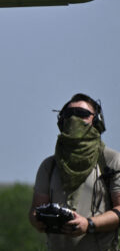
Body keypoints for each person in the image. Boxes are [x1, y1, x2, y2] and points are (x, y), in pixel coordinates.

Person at [29, 93, 120, 250]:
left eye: (82, 114)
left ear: (96, 120)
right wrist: (38, 220)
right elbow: (35, 210)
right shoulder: (50, 165)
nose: (74, 119)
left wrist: (89, 224)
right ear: (61, 120)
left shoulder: (111, 160)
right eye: (69, 114)